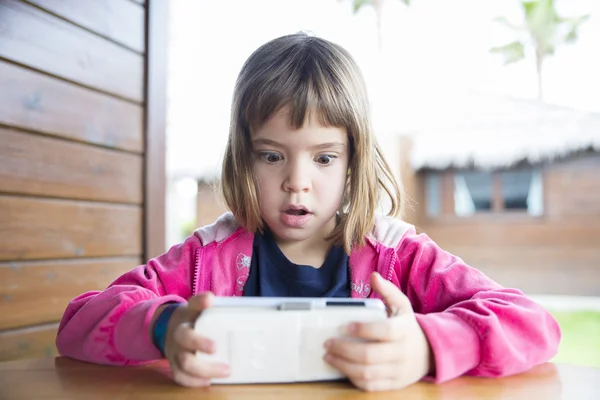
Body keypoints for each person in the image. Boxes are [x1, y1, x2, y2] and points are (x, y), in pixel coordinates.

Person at [56, 33, 561, 392]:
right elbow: (78, 322)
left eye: (323, 157)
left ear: (353, 162)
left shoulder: (397, 253)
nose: (297, 181)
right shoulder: (205, 258)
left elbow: (532, 324)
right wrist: (163, 330)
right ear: (243, 158)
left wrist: (428, 346)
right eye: (271, 155)